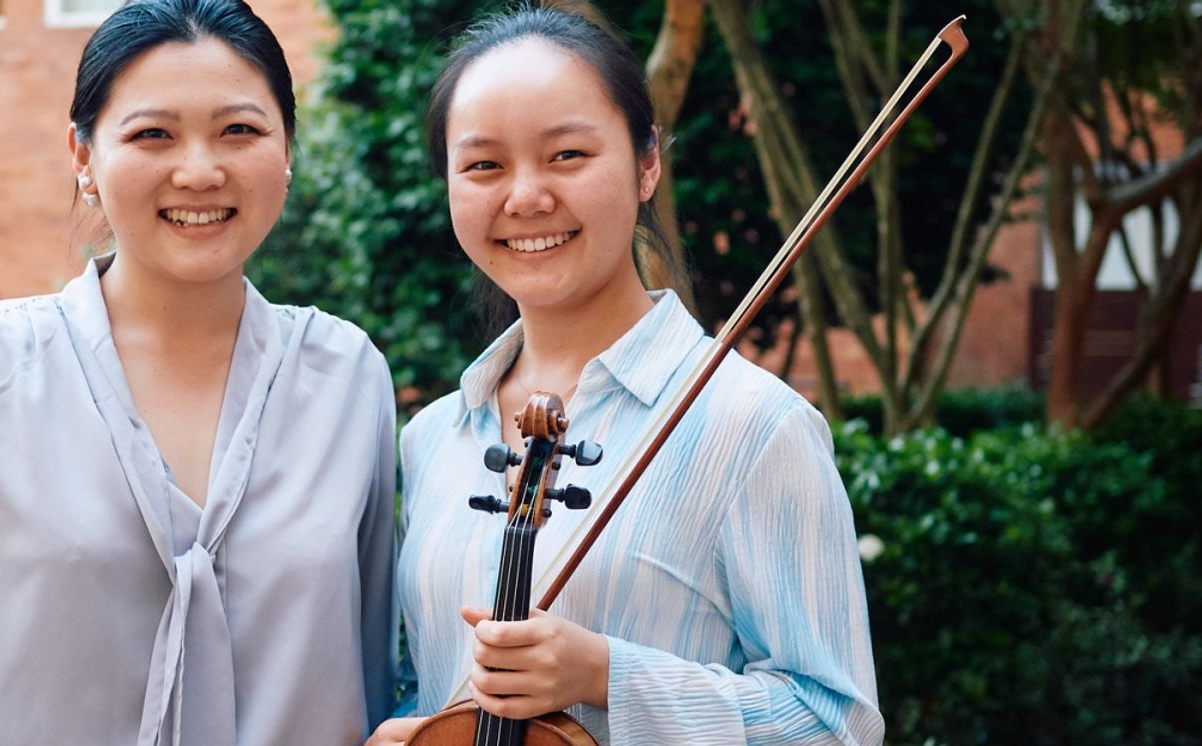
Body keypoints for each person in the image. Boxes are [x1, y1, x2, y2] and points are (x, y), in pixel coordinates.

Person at [0, 2, 395, 744]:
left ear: (288, 149)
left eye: (239, 130)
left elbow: (370, 678)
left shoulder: (346, 379)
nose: (199, 169)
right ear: (84, 156)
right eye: (153, 134)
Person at [369, 5, 881, 745]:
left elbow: (838, 725)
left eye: (568, 155)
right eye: (484, 165)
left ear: (647, 165)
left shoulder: (753, 426)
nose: (525, 197)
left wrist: (609, 675)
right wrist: (410, 729)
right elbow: (435, 678)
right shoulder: (434, 438)